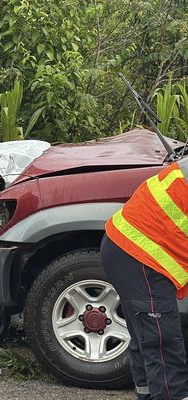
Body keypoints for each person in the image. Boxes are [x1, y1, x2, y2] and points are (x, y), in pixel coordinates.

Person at [100, 157, 188, 400]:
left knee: (147, 338)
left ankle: (148, 395)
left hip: (127, 246)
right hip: (141, 254)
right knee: (162, 340)